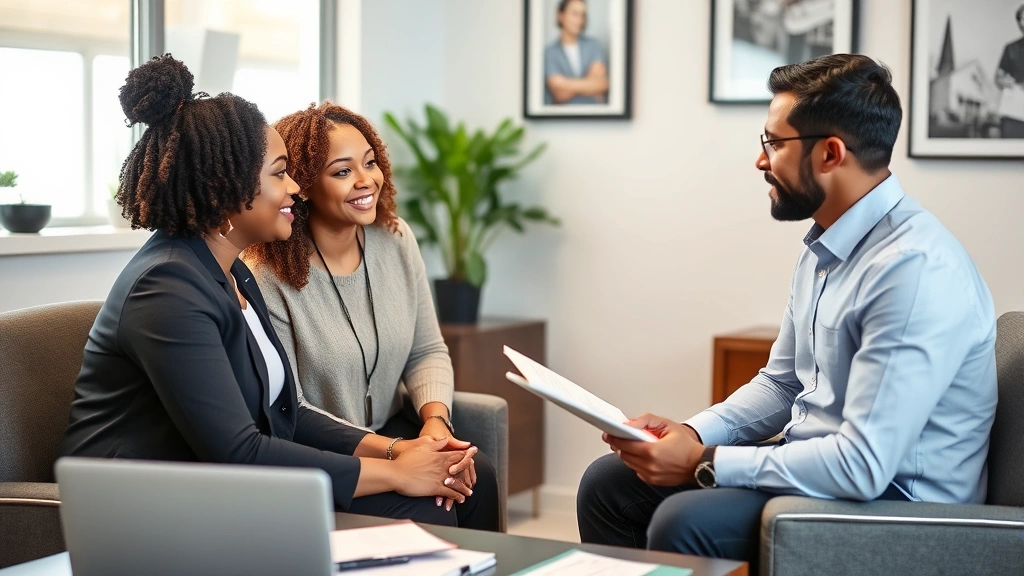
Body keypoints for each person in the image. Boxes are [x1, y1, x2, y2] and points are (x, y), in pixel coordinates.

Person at [577, 54, 997, 569]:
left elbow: (862, 466)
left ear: (830, 153)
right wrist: (693, 434)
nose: (760, 160)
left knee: (684, 521)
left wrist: (705, 464)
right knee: (609, 484)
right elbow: (782, 384)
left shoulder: (912, 271)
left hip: (898, 507)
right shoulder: (826, 245)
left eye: (773, 143)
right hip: (834, 476)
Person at [59, 55, 480, 527]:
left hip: (219, 481)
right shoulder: (167, 289)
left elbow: (288, 413)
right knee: (422, 502)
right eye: (280, 173)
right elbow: (239, 451)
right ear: (228, 188)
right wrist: (396, 474)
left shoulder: (228, 271)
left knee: (457, 488)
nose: (295, 187)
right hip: (143, 506)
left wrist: (401, 450)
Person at [242, 102, 499, 531]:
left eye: (370, 162)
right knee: (435, 506)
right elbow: (292, 408)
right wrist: (399, 452)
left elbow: (427, 349)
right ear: (302, 185)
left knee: (478, 479)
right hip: (327, 452)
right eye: (342, 172)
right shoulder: (267, 274)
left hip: (396, 429)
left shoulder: (394, 238)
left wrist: (434, 423)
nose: (366, 181)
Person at [543, 0, 609, 105]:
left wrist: (565, 84)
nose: (580, 20)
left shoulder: (594, 45)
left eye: (583, 15)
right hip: (561, 118)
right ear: (561, 15)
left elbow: (601, 85)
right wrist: (589, 84)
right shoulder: (550, 52)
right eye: (575, 14)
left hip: (593, 115)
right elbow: (559, 95)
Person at [995, 4, 1024, 138]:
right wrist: (1002, 81)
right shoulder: (1010, 48)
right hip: (1015, 112)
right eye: (1022, 18)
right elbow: (998, 77)